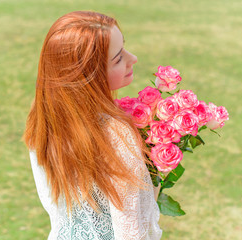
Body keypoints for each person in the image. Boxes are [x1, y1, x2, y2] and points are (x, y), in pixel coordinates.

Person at [23, 11, 163, 239]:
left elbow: (53, 206)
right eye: (118, 58)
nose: (133, 58)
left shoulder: (44, 122)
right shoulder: (115, 131)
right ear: (88, 75)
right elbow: (130, 230)